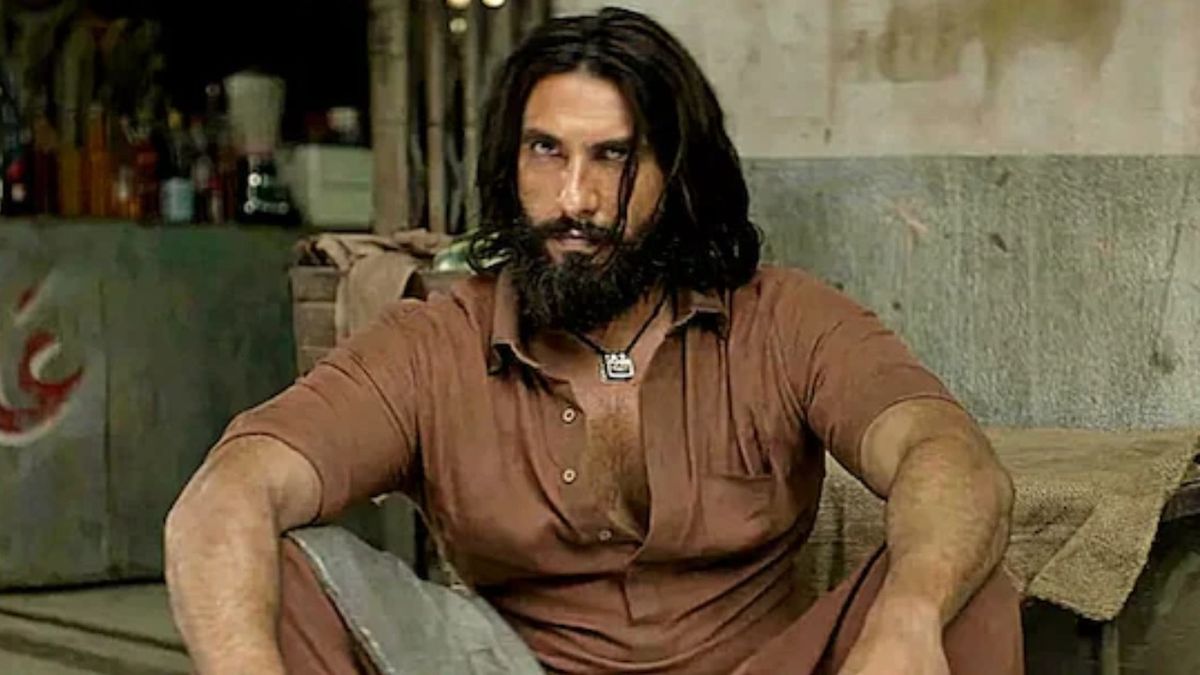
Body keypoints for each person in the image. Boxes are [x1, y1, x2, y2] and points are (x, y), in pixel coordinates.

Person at [165, 7, 1020, 675]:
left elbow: (946, 452)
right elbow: (227, 493)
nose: (574, 199)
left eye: (612, 157)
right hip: (510, 666)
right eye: (546, 151)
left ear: (675, 175)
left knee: (964, 592)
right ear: (510, 164)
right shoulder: (435, 342)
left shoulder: (784, 317)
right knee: (280, 572)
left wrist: (908, 617)